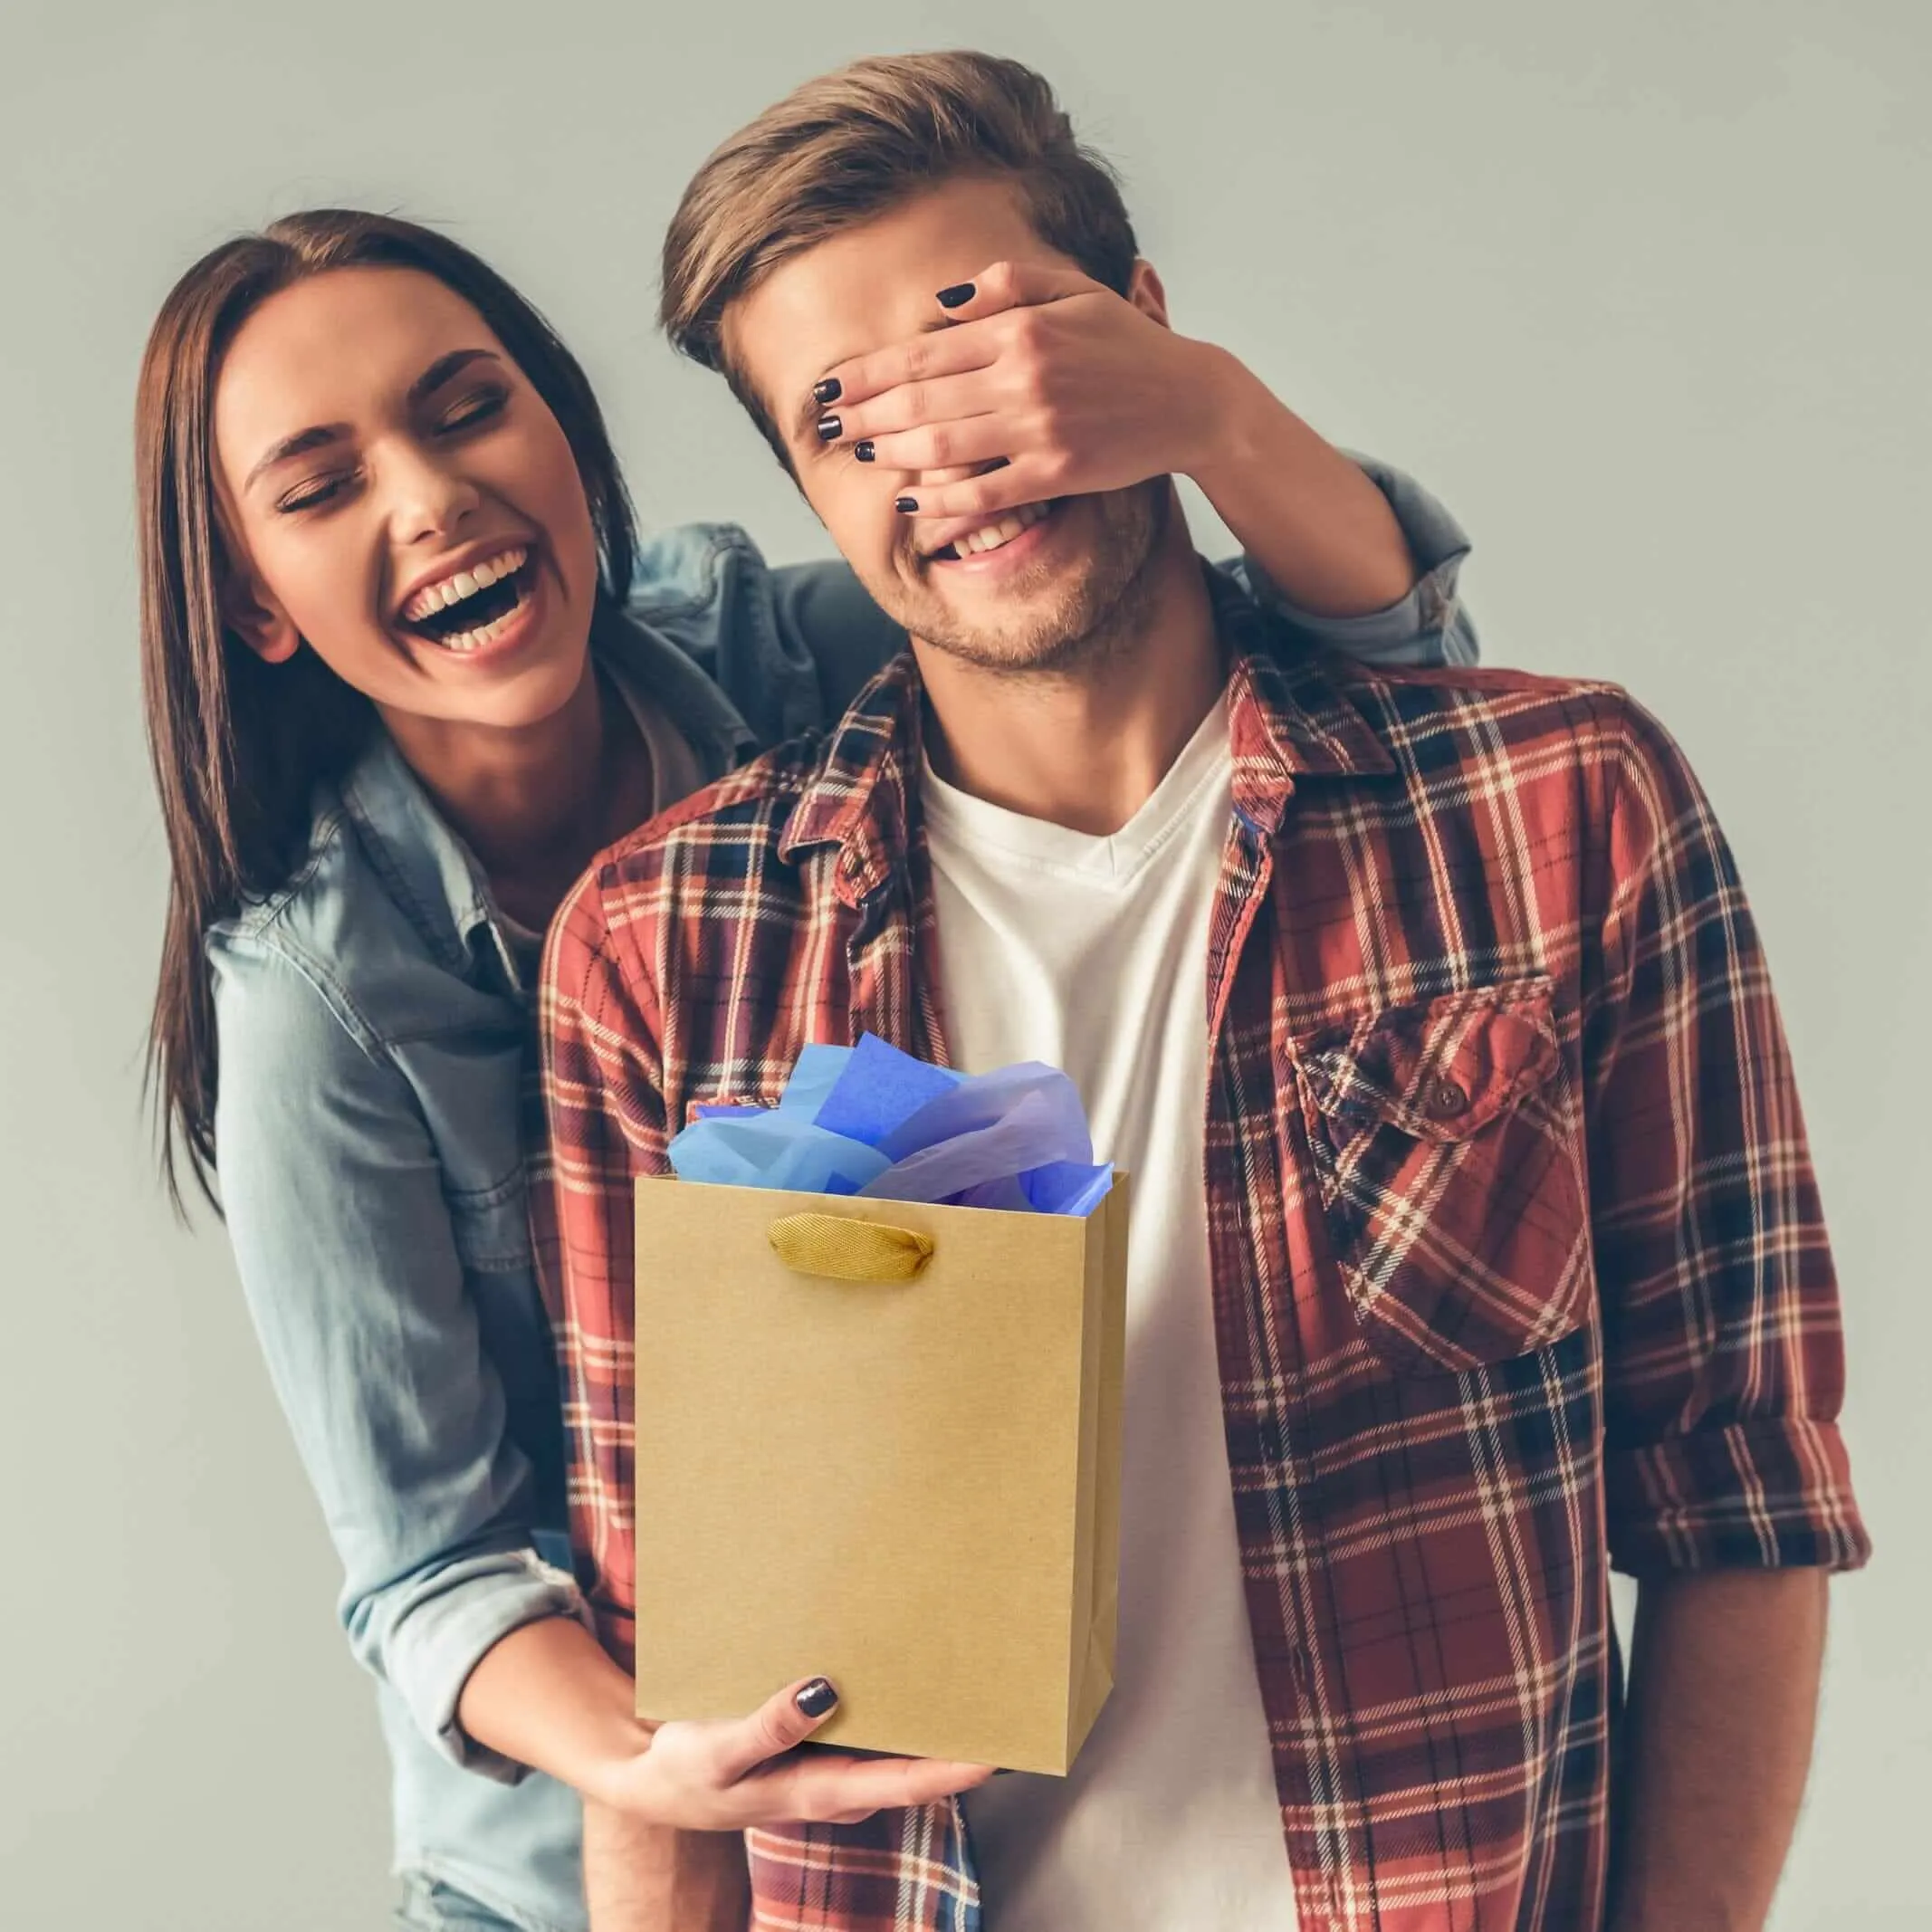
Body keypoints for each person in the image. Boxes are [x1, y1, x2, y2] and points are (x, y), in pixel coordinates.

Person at [535, 51, 1871, 1932]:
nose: (943, 454)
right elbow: (661, 1650)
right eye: (847, 422)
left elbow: (1738, 1495)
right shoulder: (665, 948)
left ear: (1139, 330)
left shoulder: (1561, 805)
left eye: (983, 352)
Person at [138, 199, 1478, 1932]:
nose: (429, 497)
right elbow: (429, 1567)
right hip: (578, 1865)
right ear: (253, 602)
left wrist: (1209, 412)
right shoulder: (314, 994)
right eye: (321, 486)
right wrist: (657, 1768)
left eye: (467, 408)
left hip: (970, 1785)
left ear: (562, 425)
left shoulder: (786, 660)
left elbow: (1365, 666)